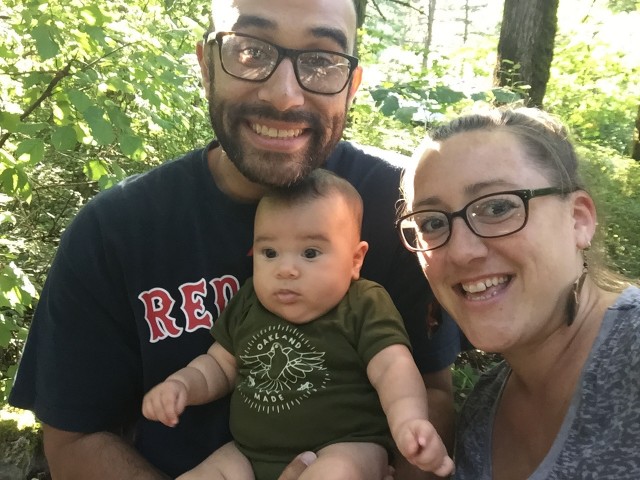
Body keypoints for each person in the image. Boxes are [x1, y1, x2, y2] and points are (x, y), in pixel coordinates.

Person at [9, 0, 462, 478]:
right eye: (251, 51)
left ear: (351, 85)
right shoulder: (114, 229)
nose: (285, 96)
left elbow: (430, 390)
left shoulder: (404, 207)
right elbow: (74, 436)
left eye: (321, 60)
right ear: (206, 66)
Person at [143, 169, 455, 480]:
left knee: (336, 473)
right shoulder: (249, 302)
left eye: (310, 252)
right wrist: (182, 385)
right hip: (248, 453)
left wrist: (408, 421)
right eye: (270, 252)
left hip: (346, 446)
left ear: (355, 260)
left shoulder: (362, 304)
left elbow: (392, 368)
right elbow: (218, 366)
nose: (286, 269)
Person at [397, 107, 640, 479]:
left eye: (497, 207)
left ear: (578, 219)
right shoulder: (483, 409)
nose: (461, 251)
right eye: (431, 222)